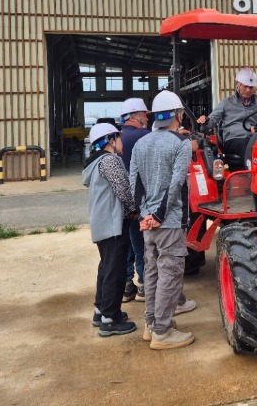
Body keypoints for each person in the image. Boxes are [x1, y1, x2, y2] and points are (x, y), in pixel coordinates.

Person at [130, 90, 195, 350]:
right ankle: (163, 331)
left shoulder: (141, 143)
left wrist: (144, 215)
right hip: (169, 221)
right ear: (177, 115)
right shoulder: (181, 144)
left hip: (148, 223)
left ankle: (151, 324)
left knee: (153, 272)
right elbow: (176, 183)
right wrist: (158, 215)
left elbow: (135, 183)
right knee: (170, 274)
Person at [82, 123, 138, 337]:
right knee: (115, 271)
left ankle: (101, 311)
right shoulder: (110, 161)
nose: (122, 142)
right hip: (113, 224)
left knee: (106, 268)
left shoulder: (96, 162)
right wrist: (134, 209)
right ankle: (110, 319)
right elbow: (123, 189)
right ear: (111, 141)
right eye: (119, 138)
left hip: (102, 223)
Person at [196, 67, 257, 163]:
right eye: (245, 86)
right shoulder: (226, 103)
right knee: (248, 144)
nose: (248, 90)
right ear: (238, 84)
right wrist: (205, 121)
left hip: (253, 138)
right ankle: (251, 168)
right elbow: (211, 122)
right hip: (234, 139)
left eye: (251, 87)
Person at [118, 97, 150, 303]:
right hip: (138, 198)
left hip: (122, 200)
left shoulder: (118, 137)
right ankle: (145, 285)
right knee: (141, 243)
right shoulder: (143, 136)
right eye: (145, 114)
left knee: (127, 243)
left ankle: (127, 285)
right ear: (136, 115)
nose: (146, 118)